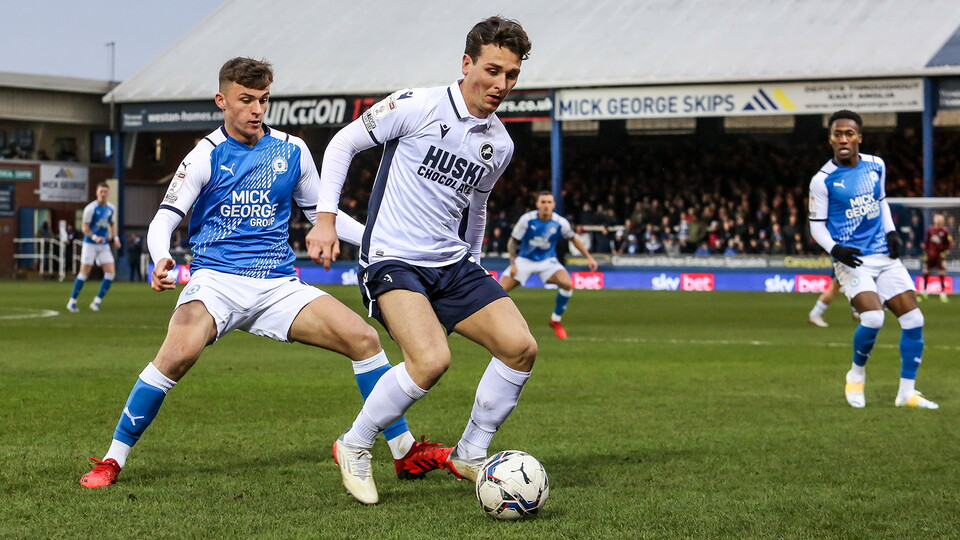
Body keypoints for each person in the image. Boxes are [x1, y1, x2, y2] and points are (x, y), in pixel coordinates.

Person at [79, 57, 448, 490]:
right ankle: (111, 459)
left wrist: (378, 240)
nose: (256, 109)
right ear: (222, 101)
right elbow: (164, 219)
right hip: (216, 280)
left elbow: (322, 216)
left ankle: (404, 452)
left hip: (277, 285)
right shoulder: (205, 155)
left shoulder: (291, 151)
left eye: (264, 100)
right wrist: (160, 257)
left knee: (363, 340)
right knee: (176, 354)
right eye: (246, 100)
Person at [305, 16, 535, 505]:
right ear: (467, 62)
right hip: (393, 258)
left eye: (511, 75)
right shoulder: (418, 104)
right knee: (430, 361)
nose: (501, 85)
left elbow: (478, 205)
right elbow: (344, 142)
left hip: (452, 264)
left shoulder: (501, 143)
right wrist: (326, 219)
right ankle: (355, 443)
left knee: (520, 347)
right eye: (493, 70)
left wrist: (473, 260)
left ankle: (471, 451)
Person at [808, 110, 937, 410]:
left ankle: (907, 393)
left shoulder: (876, 165)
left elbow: (880, 202)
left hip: (883, 254)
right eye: (837, 134)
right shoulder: (822, 180)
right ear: (830, 139)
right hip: (851, 260)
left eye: (849, 133)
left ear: (859, 138)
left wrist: (891, 233)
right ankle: (856, 374)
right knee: (873, 317)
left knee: (914, 319)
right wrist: (835, 249)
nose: (843, 139)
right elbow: (816, 225)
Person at [499, 191, 598, 339]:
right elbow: (513, 241)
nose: (546, 205)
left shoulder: (560, 222)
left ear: (554, 205)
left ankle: (555, 321)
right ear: (537, 204)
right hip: (525, 260)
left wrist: (589, 258)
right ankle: (495, 323)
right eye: (543, 202)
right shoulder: (527, 220)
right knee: (497, 291)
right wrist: (513, 264)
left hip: (548, 261)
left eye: (549, 202)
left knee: (567, 284)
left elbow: (574, 239)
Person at [67, 182, 122, 312]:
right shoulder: (90, 208)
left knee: (110, 273)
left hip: (103, 245)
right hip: (90, 244)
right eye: (101, 191)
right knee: (84, 273)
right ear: (97, 193)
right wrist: (94, 237)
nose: (103, 194)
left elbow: (112, 224)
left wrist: (116, 238)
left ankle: (96, 302)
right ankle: (72, 301)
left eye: (105, 191)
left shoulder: (111, 208)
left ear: (108, 193)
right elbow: (84, 228)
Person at [920, 213, 952, 302]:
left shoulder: (945, 231)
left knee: (941, 272)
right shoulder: (930, 230)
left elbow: (949, 244)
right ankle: (924, 291)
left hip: (940, 256)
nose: (939, 222)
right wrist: (925, 252)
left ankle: (942, 293)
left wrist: (945, 252)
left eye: (940, 221)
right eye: (937, 220)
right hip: (930, 255)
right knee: (926, 271)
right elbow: (926, 242)